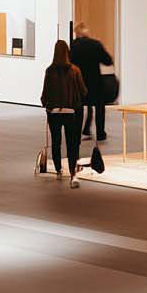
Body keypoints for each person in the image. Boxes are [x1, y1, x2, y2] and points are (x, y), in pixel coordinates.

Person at [41, 40, 88, 188]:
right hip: (71, 112)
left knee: (56, 141)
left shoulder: (49, 71)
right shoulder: (75, 70)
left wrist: (48, 105)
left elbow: (45, 92)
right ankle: (73, 172)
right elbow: (83, 91)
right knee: (71, 142)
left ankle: (58, 169)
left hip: (54, 112)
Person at [70, 23, 114, 141]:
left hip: (79, 82)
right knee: (99, 106)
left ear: (77, 33)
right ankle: (100, 132)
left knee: (79, 107)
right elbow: (108, 61)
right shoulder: (95, 44)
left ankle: (77, 133)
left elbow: (69, 64)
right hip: (95, 81)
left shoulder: (73, 46)